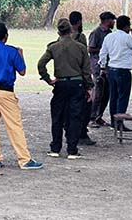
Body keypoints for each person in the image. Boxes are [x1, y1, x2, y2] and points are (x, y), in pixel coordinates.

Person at [0, 22, 43, 170]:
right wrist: (21, 55)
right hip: (6, 91)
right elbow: (23, 71)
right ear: (6, 36)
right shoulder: (12, 52)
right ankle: (24, 159)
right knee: (14, 125)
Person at [37, 18, 93, 160]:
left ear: (58, 32)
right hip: (76, 84)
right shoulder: (80, 48)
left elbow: (41, 64)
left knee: (57, 116)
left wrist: (48, 79)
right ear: (71, 31)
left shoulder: (53, 47)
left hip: (60, 84)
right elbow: (86, 70)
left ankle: (55, 148)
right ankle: (72, 150)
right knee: (74, 116)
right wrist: (89, 87)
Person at [99, 15, 132, 131]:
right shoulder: (127, 38)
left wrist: (103, 67)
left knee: (113, 96)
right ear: (127, 26)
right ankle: (120, 122)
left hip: (111, 69)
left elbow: (103, 53)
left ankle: (114, 121)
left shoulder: (109, 36)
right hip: (123, 70)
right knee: (123, 97)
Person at [69, 11, 96, 146]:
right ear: (79, 22)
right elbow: (85, 59)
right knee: (85, 106)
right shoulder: (80, 37)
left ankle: (70, 131)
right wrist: (89, 83)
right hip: (79, 76)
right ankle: (81, 133)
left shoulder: (62, 38)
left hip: (65, 76)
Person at [88, 11, 116, 127]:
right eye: (112, 20)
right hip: (97, 67)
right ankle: (91, 118)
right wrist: (104, 49)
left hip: (108, 67)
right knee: (98, 93)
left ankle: (99, 117)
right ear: (106, 20)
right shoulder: (96, 33)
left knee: (106, 94)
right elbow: (90, 49)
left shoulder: (110, 33)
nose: (114, 22)